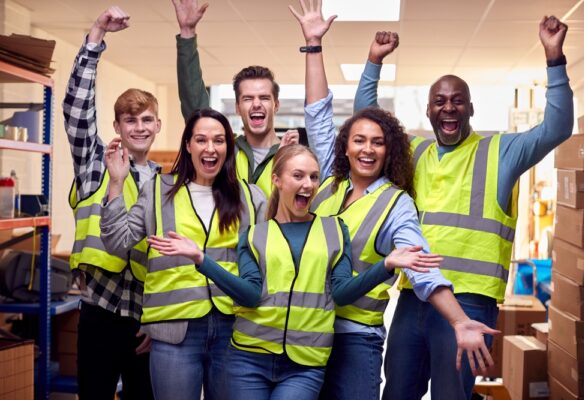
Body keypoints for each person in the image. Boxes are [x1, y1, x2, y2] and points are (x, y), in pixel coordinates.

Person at [348, 16, 574, 400]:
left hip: (470, 302)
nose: (448, 108)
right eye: (439, 101)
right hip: (414, 295)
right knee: (396, 392)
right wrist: (374, 62)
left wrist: (554, 58)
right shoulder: (415, 153)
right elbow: (368, 122)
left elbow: (555, 127)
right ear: (429, 111)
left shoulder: (500, 151)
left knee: (451, 396)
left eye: (456, 101)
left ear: (470, 108)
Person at [293, 2, 502, 399]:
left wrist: (459, 321)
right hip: (305, 329)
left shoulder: (396, 204)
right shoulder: (325, 182)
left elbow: (422, 266)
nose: (368, 149)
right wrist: (313, 45)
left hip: (356, 338)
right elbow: (318, 113)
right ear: (346, 146)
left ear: (391, 152)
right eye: (359, 140)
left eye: (378, 143)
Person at [147, 144, 442, 400]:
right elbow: (249, 296)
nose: (309, 184)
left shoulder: (334, 230)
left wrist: (386, 265)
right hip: (248, 359)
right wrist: (201, 259)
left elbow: (341, 293)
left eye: (314, 177)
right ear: (277, 180)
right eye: (298, 176)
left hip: (306, 363)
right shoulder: (253, 234)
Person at [100, 109, 266, 400]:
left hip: (234, 328)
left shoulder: (250, 198)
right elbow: (117, 242)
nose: (210, 148)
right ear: (188, 145)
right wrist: (115, 182)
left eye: (219, 140)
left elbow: (266, 268)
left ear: (229, 146)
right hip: (174, 332)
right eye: (201, 140)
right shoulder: (157, 191)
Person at [63, 6, 157, 399]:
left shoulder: (165, 183)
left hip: (143, 320)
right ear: (117, 126)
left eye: (147, 119)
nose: (139, 127)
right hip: (99, 311)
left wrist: (156, 322)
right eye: (130, 120)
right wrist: (96, 36)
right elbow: (77, 113)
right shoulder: (95, 166)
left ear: (157, 125)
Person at [174, 0, 296, 196]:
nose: (256, 104)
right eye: (248, 98)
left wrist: (285, 157)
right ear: (238, 108)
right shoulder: (225, 150)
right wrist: (187, 34)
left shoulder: (292, 154)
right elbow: (195, 104)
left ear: (276, 105)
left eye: (264, 97)